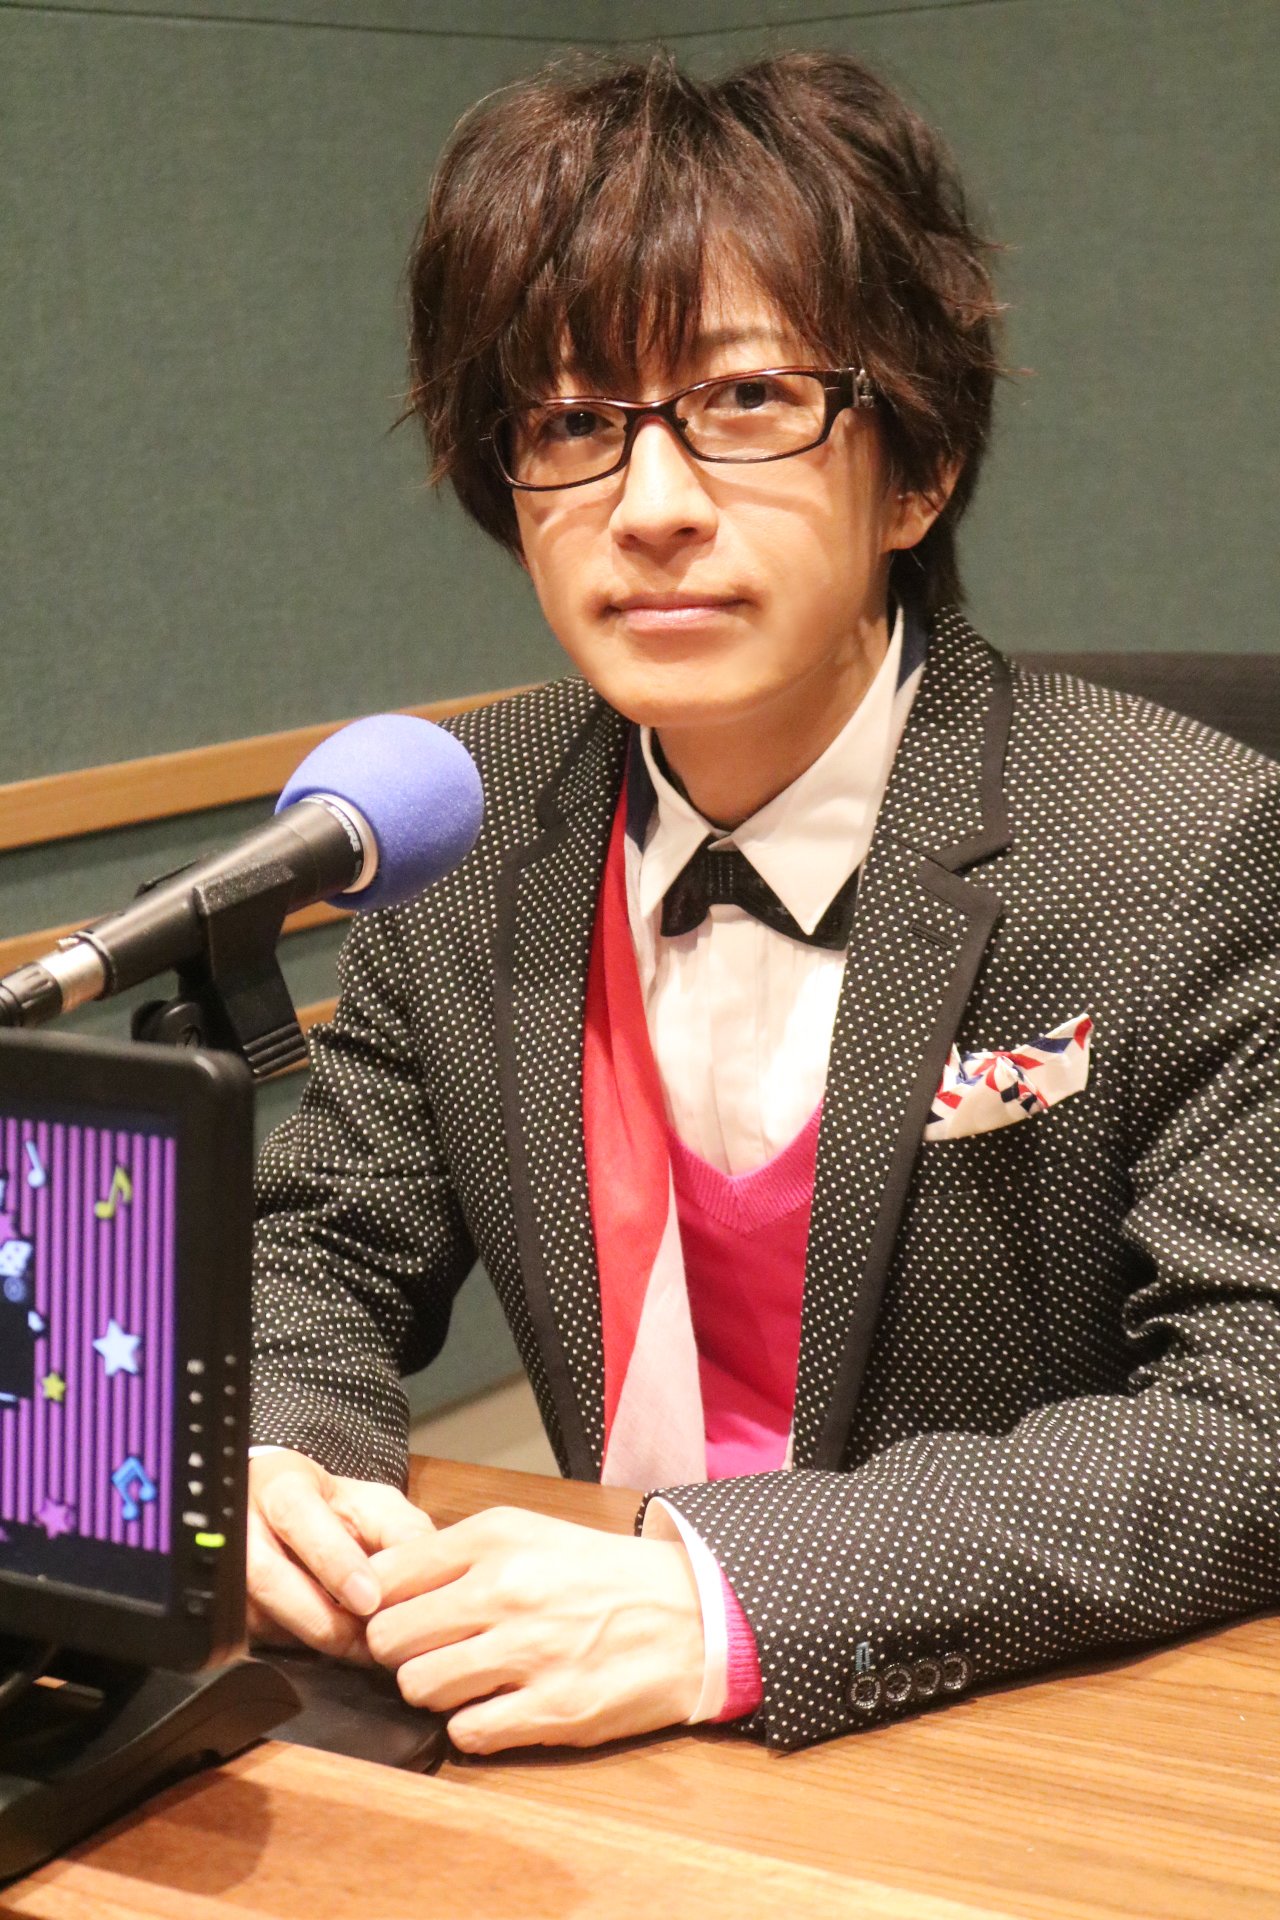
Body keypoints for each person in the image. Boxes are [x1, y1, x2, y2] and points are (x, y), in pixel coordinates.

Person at [247, 49, 1280, 1755]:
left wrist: (733, 1599)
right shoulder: (470, 824)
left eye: (745, 402)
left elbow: (1252, 1412)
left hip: (1014, 1734)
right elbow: (319, 1245)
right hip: (569, 1732)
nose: (650, 509)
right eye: (572, 423)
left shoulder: (1178, 844)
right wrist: (277, 1446)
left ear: (917, 472)